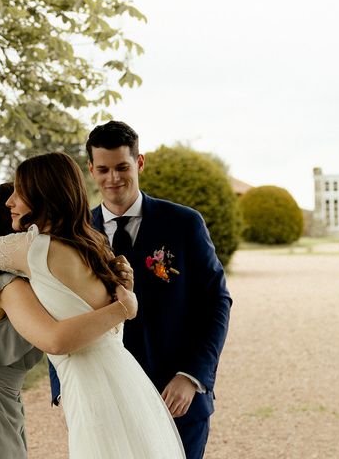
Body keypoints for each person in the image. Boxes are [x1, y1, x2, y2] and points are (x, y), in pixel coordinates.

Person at [0, 152, 185, 458]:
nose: (10, 202)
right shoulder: (98, 248)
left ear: (43, 196)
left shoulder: (30, 248)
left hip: (87, 390)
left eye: (20, 192)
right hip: (126, 382)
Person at [79, 120, 232, 458]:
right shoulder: (76, 233)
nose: (113, 178)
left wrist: (192, 376)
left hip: (176, 395)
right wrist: (66, 390)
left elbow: (216, 302)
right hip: (106, 397)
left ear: (140, 163)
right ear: (91, 169)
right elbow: (60, 305)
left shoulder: (184, 223)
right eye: (102, 169)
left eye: (122, 167)